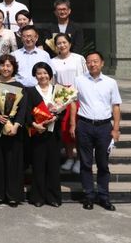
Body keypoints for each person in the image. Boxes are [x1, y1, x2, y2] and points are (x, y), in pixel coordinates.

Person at [73, 51, 122, 211]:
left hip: (104, 127)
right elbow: (72, 102)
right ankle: (88, 196)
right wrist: (73, 124)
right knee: (85, 163)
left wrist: (116, 128)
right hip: (84, 125)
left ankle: (104, 197)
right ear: (86, 64)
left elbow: (116, 106)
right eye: (89, 61)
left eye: (95, 61)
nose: (92, 64)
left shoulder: (110, 82)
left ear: (102, 63)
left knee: (103, 164)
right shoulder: (78, 80)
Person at [0, 54, 27, 207]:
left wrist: (16, 126)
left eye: (9, 65)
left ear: (13, 68)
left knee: (13, 162)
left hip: (14, 130)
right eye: (3, 65)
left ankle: (13, 195)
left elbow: (23, 109)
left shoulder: (19, 86)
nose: (5, 68)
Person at [26, 61, 64, 208]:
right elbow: (27, 111)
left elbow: (63, 110)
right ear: (35, 75)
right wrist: (34, 125)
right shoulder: (30, 91)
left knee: (53, 166)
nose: (42, 76)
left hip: (54, 133)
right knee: (38, 165)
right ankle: (38, 197)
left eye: (45, 73)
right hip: (38, 132)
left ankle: (53, 197)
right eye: (39, 73)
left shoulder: (57, 90)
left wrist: (56, 117)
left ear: (50, 74)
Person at [50, 33, 87, 173]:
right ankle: (70, 157)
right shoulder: (53, 61)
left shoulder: (79, 58)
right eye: (59, 43)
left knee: (77, 128)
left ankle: (79, 159)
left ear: (70, 44)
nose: (62, 45)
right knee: (65, 129)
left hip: (78, 96)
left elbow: (85, 77)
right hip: (61, 97)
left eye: (64, 42)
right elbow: (52, 81)